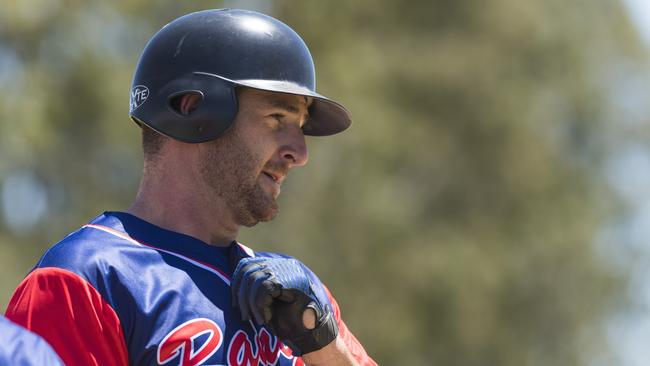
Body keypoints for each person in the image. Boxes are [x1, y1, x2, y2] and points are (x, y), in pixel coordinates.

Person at [5, 8, 376, 366]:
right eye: (277, 118)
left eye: (300, 125)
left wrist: (323, 342)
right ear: (191, 109)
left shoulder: (298, 298)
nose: (300, 152)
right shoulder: (88, 278)